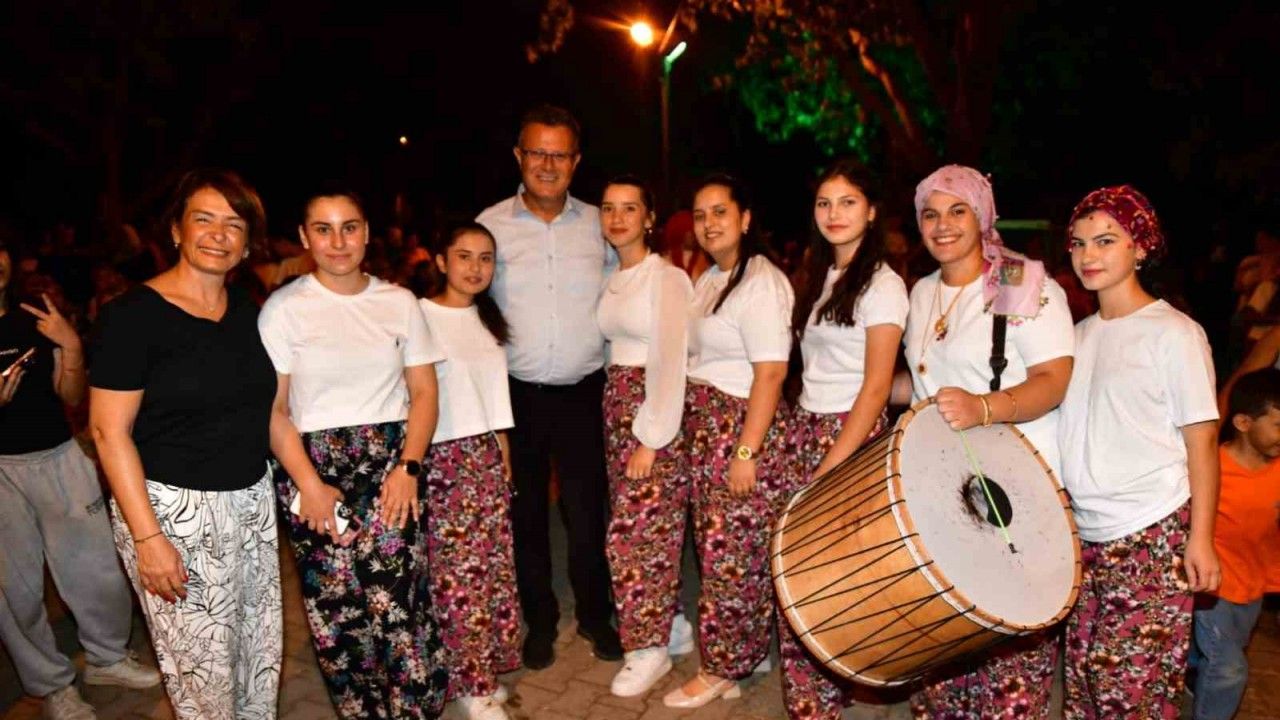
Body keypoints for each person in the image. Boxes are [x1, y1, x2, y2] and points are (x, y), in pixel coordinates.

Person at [89, 169, 281, 720]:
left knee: (258, 656)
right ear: (176, 230)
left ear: (248, 243)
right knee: (201, 676)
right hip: (174, 513)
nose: (219, 234)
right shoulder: (132, 317)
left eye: (234, 224)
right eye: (204, 219)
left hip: (250, 503)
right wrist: (148, 539)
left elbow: (268, 410)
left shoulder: (248, 311)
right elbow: (107, 432)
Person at [258, 188, 448, 719]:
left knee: (398, 602)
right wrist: (309, 486)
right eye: (323, 229)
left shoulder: (399, 302)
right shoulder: (282, 310)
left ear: (366, 232)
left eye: (349, 227)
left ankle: (414, 710)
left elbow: (425, 393)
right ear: (304, 237)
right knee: (338, 610)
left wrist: (409, 467)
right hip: (313, 471)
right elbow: (274, 411)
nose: (338, 241)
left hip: (390, 467)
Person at [901, 165, 1075, 718]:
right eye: (930, 214)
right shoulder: (922, 291)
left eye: (959, 211)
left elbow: (1054, 378)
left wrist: (983, 408)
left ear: (982, 216)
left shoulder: (1015, 278)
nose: (943, 225)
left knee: (1010, 642)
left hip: (1019, 488)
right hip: (948, 484)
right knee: (948, 631)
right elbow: (923, 379)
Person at [1059, 184, 1222, 718]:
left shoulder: (1174, 333)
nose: (1089, 255)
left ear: (1141, 247)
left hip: (1151, 533)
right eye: (1079, 243)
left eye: (1106, 241)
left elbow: (1202, 440)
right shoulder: (1075, 336)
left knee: (1129, 694)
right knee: (1084, 685)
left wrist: (1201, 539)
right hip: (1086, 534)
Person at [476, 104, 621, 668]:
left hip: (585, 392)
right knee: (526, 513)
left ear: (576, 162)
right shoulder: (490, 226)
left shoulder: (600, 224)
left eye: (559, 155)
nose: (547, 164)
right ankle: (539, 620)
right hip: (517, 395)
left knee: (587, 513)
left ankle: (595, 615)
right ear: (519, 156)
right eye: (537, 152)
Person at [0, 241, 160, 720]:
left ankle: (108, 658)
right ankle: (51, 685)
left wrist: (70, 345)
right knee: (14, 590)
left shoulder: (33, 317)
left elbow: (70, 396)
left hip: (60, 459)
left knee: (97, 571)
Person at [778, 160, 908, 719]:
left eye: (848, 201)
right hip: (807, 427)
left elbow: (877, 387)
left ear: (872, 211)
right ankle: (814, 699)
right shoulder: (818, 274)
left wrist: (831, 465)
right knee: (800, 572)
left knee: (830, 581)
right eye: (824, 202)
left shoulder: (883, 284)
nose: (834, 213)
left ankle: (817, 705)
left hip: (849, 436)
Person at [662, 174, 793, 709]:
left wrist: (746, 451)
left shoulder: (760, 282)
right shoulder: (713, 277)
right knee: (728, 554)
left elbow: (771, 373)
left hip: (738, 430)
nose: (709, 223)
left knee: (728, 560)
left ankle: (720, 667)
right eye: (700, 214)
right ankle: (747, 653)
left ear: (745, 218)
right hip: (709, 430)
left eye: (720, 211)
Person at [594, 175, 696, 697]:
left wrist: (651, 437)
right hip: (617, 410)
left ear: (650, 218)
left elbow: (670, 360)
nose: (617, 218)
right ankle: (671, 626)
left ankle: (647, 649)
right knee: (649, 533)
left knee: (631, 540)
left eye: (629, 208)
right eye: (608, 208)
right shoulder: (613, 277)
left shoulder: (666, 278)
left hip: (653, 416)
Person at [419, 223, 522, 720]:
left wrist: (503, 460)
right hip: (442, 459)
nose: (475, 267)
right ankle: (469, 684)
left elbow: (495, 401)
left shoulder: (488, 319)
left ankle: (484, 670)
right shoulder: (420, 316)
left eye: (485, 258)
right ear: (441, 261)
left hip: (485, 456)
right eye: (464, 256)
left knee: (491, 572)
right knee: (458, 579)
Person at [1192, 368, 1280, 720]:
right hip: (1213, 589)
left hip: (1253, 585)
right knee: (1230, 669)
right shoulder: (1212, 468)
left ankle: (1190, 671)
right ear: (1243, 422)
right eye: (1278, 425)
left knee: (1215, 653)